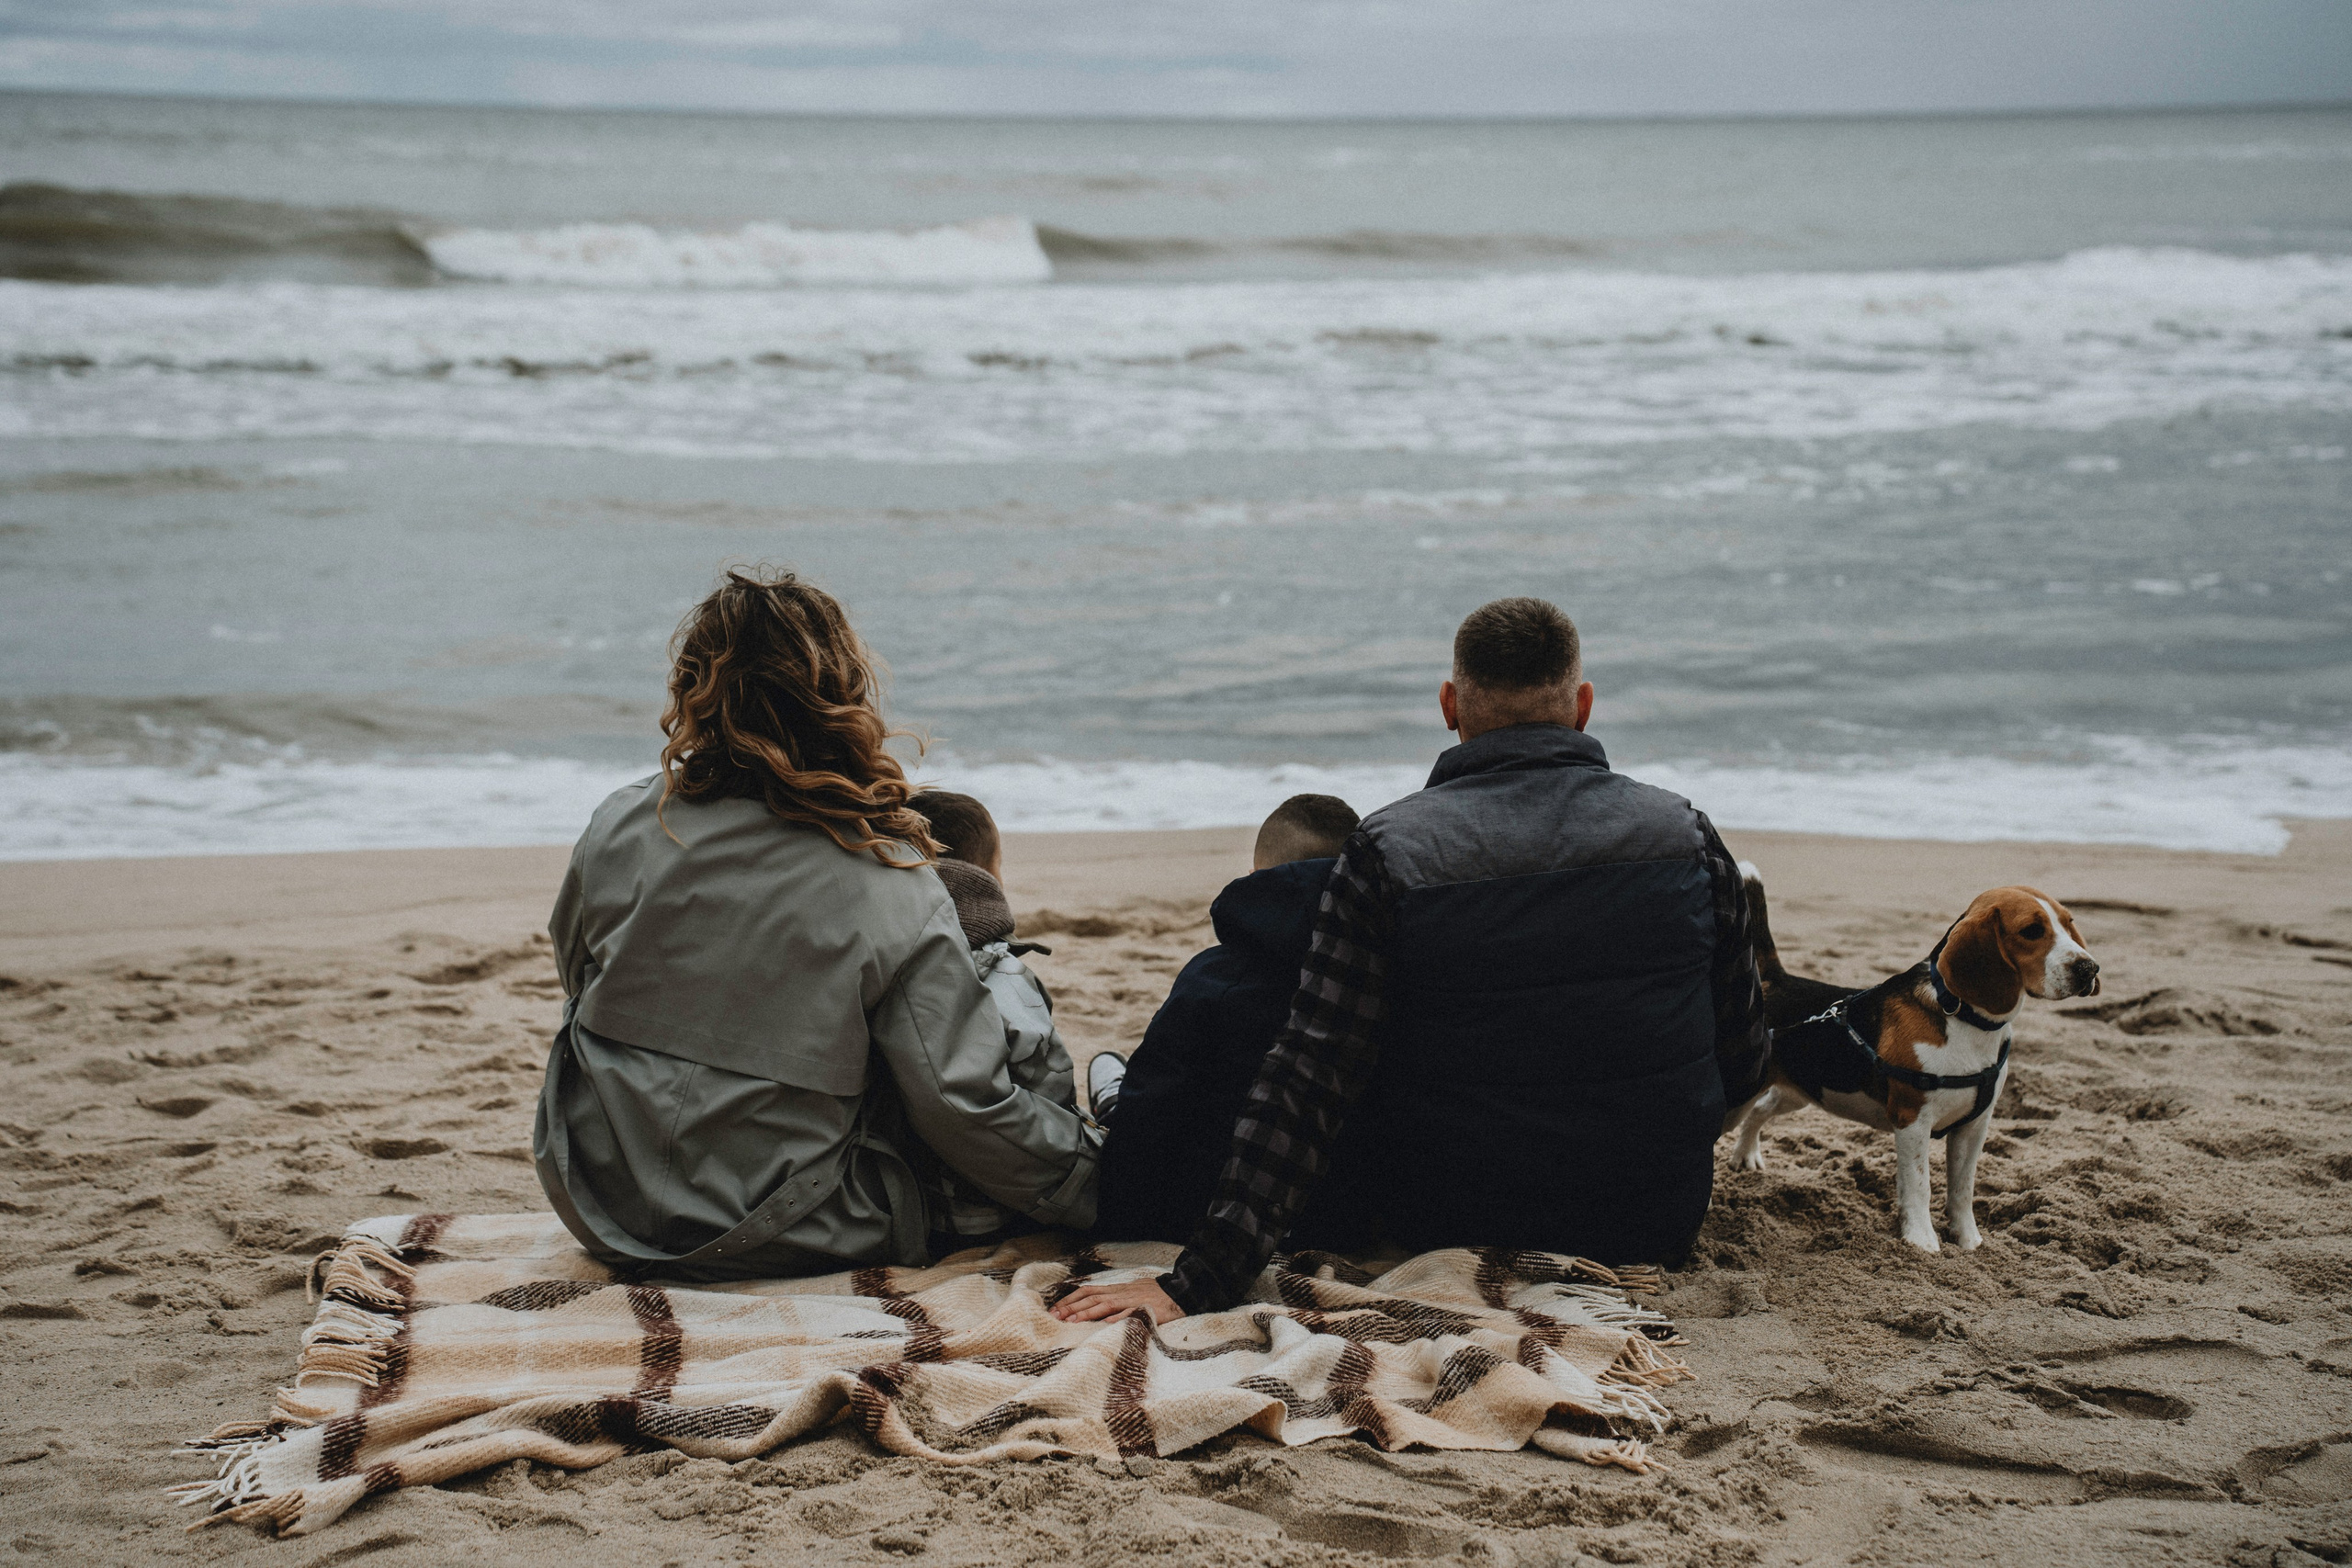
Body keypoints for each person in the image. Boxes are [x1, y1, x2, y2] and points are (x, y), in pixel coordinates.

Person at [1055, 596, 1770, 1324]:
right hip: (1654, 1218)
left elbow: (1310, 1078)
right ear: (1583, 705)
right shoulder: (1686, 834)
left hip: (1455, 1221)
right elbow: (1744, 1058)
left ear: (1449, 704)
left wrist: (1197, 1281)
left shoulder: (1391, 851)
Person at [534, 569, 1099, 1280]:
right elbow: (963, 1104)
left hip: (596, 1194)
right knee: (989, 986)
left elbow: (576, 971)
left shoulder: (619, 822)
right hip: (784, 1222)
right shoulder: (891, 879)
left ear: (692, 688)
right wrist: (1091, 1181)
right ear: (840, 693)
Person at [1087, 794, 1363, 1247]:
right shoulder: (1378, 978)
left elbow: (1151, 1110)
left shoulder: (1214, 978)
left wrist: (1119, 1223)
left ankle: (1107, 1098)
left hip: (1208, 1212)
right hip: (1341, 1215)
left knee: (1114, 1076)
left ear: (1258, 877)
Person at [907, 788, 1079, 1249]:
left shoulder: (887, 965)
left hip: (903, 1206)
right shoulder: (1001, 977)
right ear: (985, 876)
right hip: (992, 1217)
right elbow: (1049, 1090)